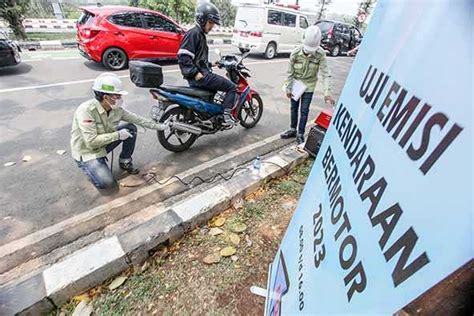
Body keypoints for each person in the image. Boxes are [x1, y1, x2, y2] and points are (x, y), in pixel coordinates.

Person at [70, 73, 168, 190]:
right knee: (107, 183)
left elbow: (138, 119)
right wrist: (118, 135)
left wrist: (160, 126)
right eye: (117, 96)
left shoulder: (116, 110)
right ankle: (88, 167)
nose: (120, 99)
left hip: (103, 144)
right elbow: (91, 142)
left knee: (131, 128)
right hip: (88, 152)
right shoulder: (86, 111)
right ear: (106, 97)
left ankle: (124, 160)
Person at [177, 2, 237, 126]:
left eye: (213, 24)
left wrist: (210, 64)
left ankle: (210, 117)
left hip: (201, 73)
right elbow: (183, 57)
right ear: (202, 19)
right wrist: (195, 73)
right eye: (210, 23)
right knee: (232, 87)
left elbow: (197, 59)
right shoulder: (194, 33)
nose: (212, 27)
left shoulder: (200, 34)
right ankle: (226, 116)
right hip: (200, 77)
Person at [281, 25, 335, 144]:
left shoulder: (320, 54)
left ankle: (300, 133)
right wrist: (288, 88)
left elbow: (326, 74)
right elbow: (290, 72)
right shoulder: (295, 53)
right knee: (293, 108)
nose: (309, 52)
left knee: (304, 110)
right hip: (296, 85)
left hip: (309, 85)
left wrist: (327, 93)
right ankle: (292, 129)